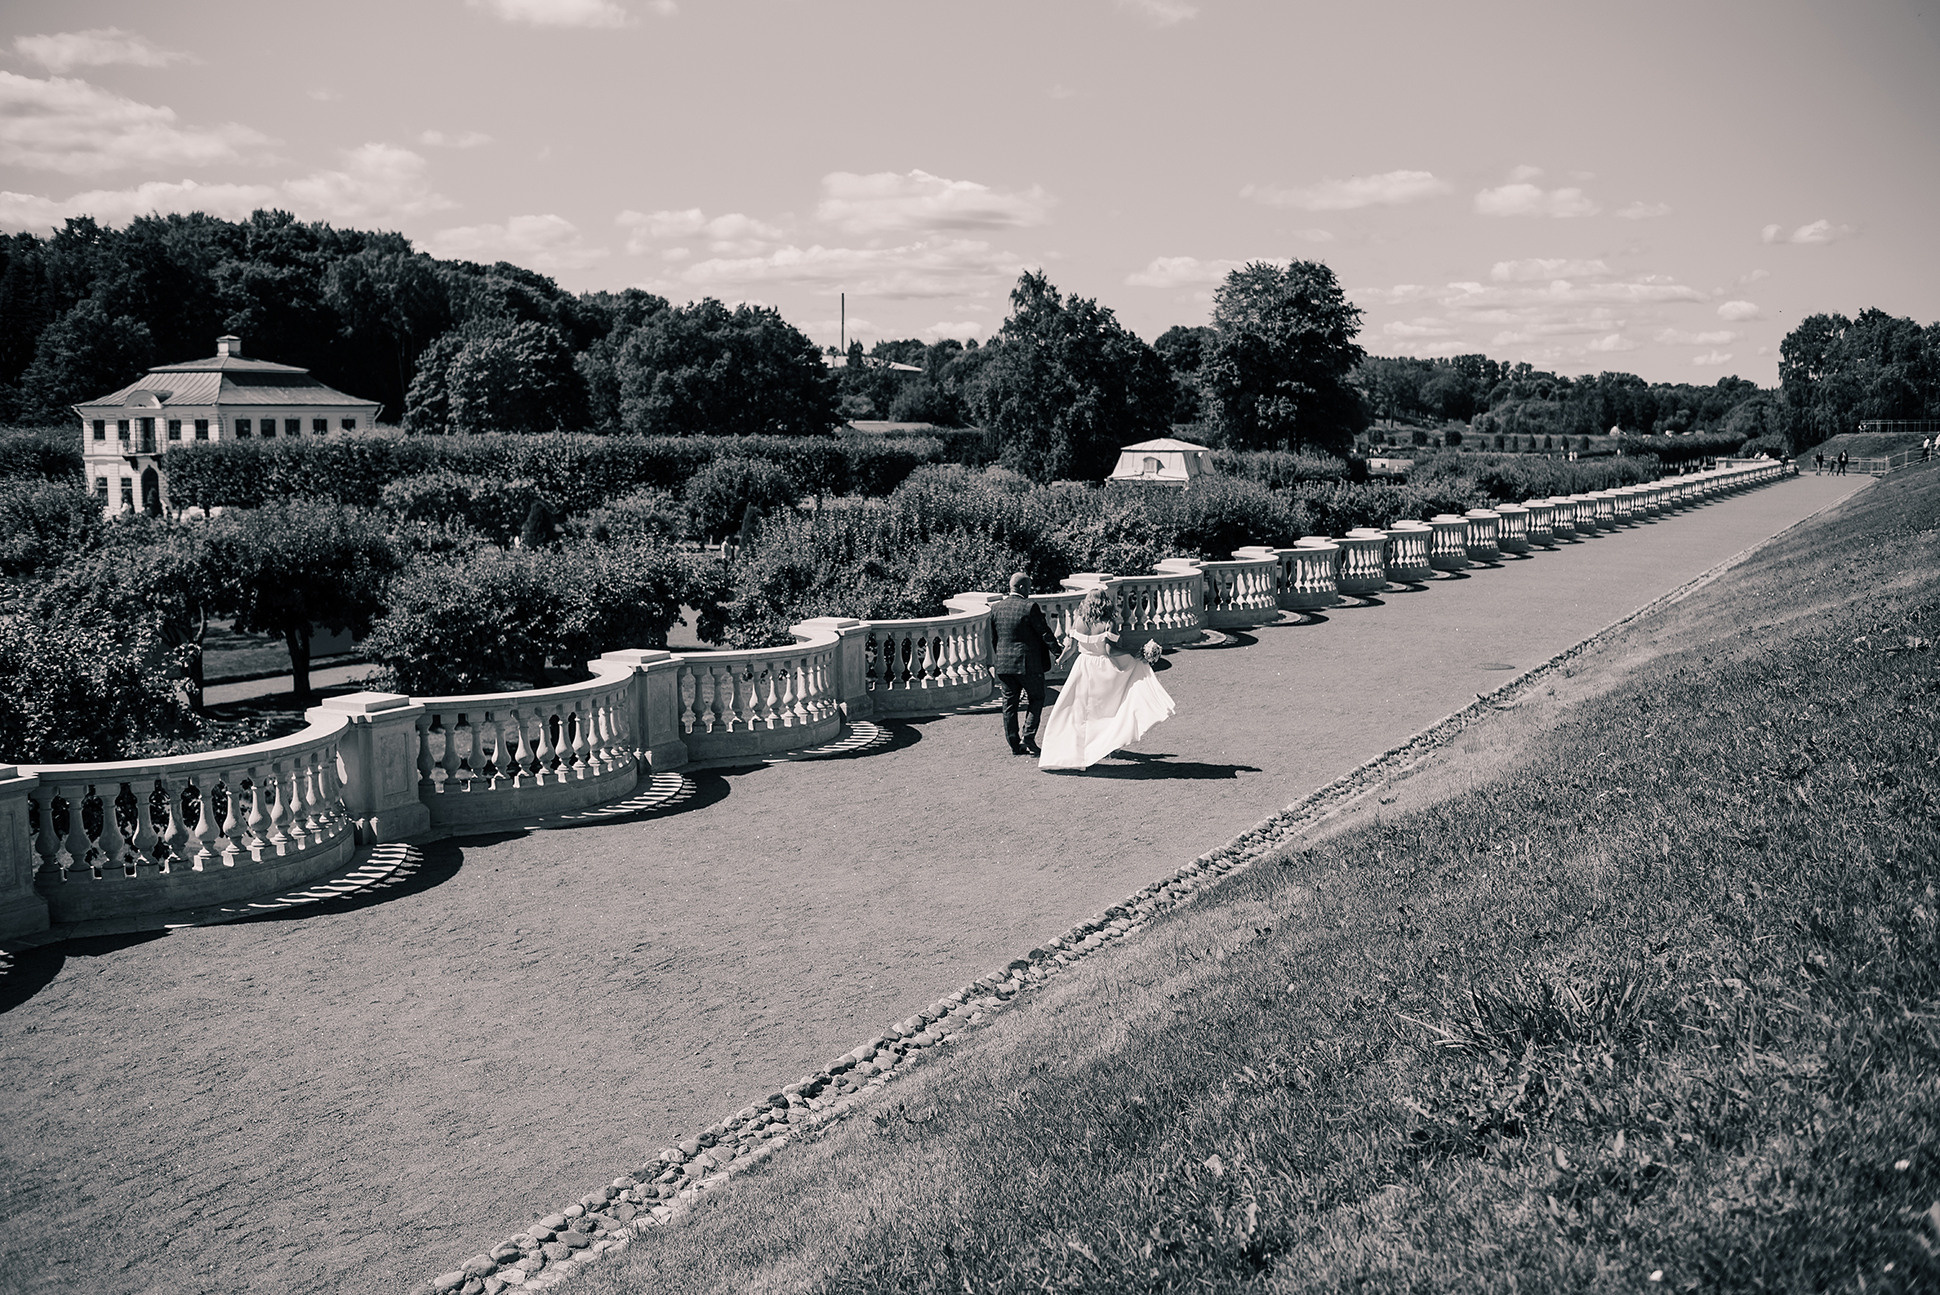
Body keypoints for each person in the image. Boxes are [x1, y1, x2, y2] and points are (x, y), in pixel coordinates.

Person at [1036, 587, 1176, 771]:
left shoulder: (1078, 621)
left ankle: (1068, 751)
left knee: (1075, 709)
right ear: (1105, 602)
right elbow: (1110, 651)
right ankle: (1103, 744)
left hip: (1082, 666)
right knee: (1106, 709)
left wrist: (1061, 659)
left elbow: (1070, 647)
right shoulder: (1109, 622)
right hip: (1102, 669)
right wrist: (1133, 653)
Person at [988, 573, 1062, 756]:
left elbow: (994, 639)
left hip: (1004, 666)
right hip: (1028, 665)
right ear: (1021, 587)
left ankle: (1014, 744)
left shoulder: (996, 608)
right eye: (1028, 586)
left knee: (1009, 705)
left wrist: (1000, 659)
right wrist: (1059, 653)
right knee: (1037, 698)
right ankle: (1028, 737)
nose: (1030, 590)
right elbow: (1044, 633)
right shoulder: (1030, 607)